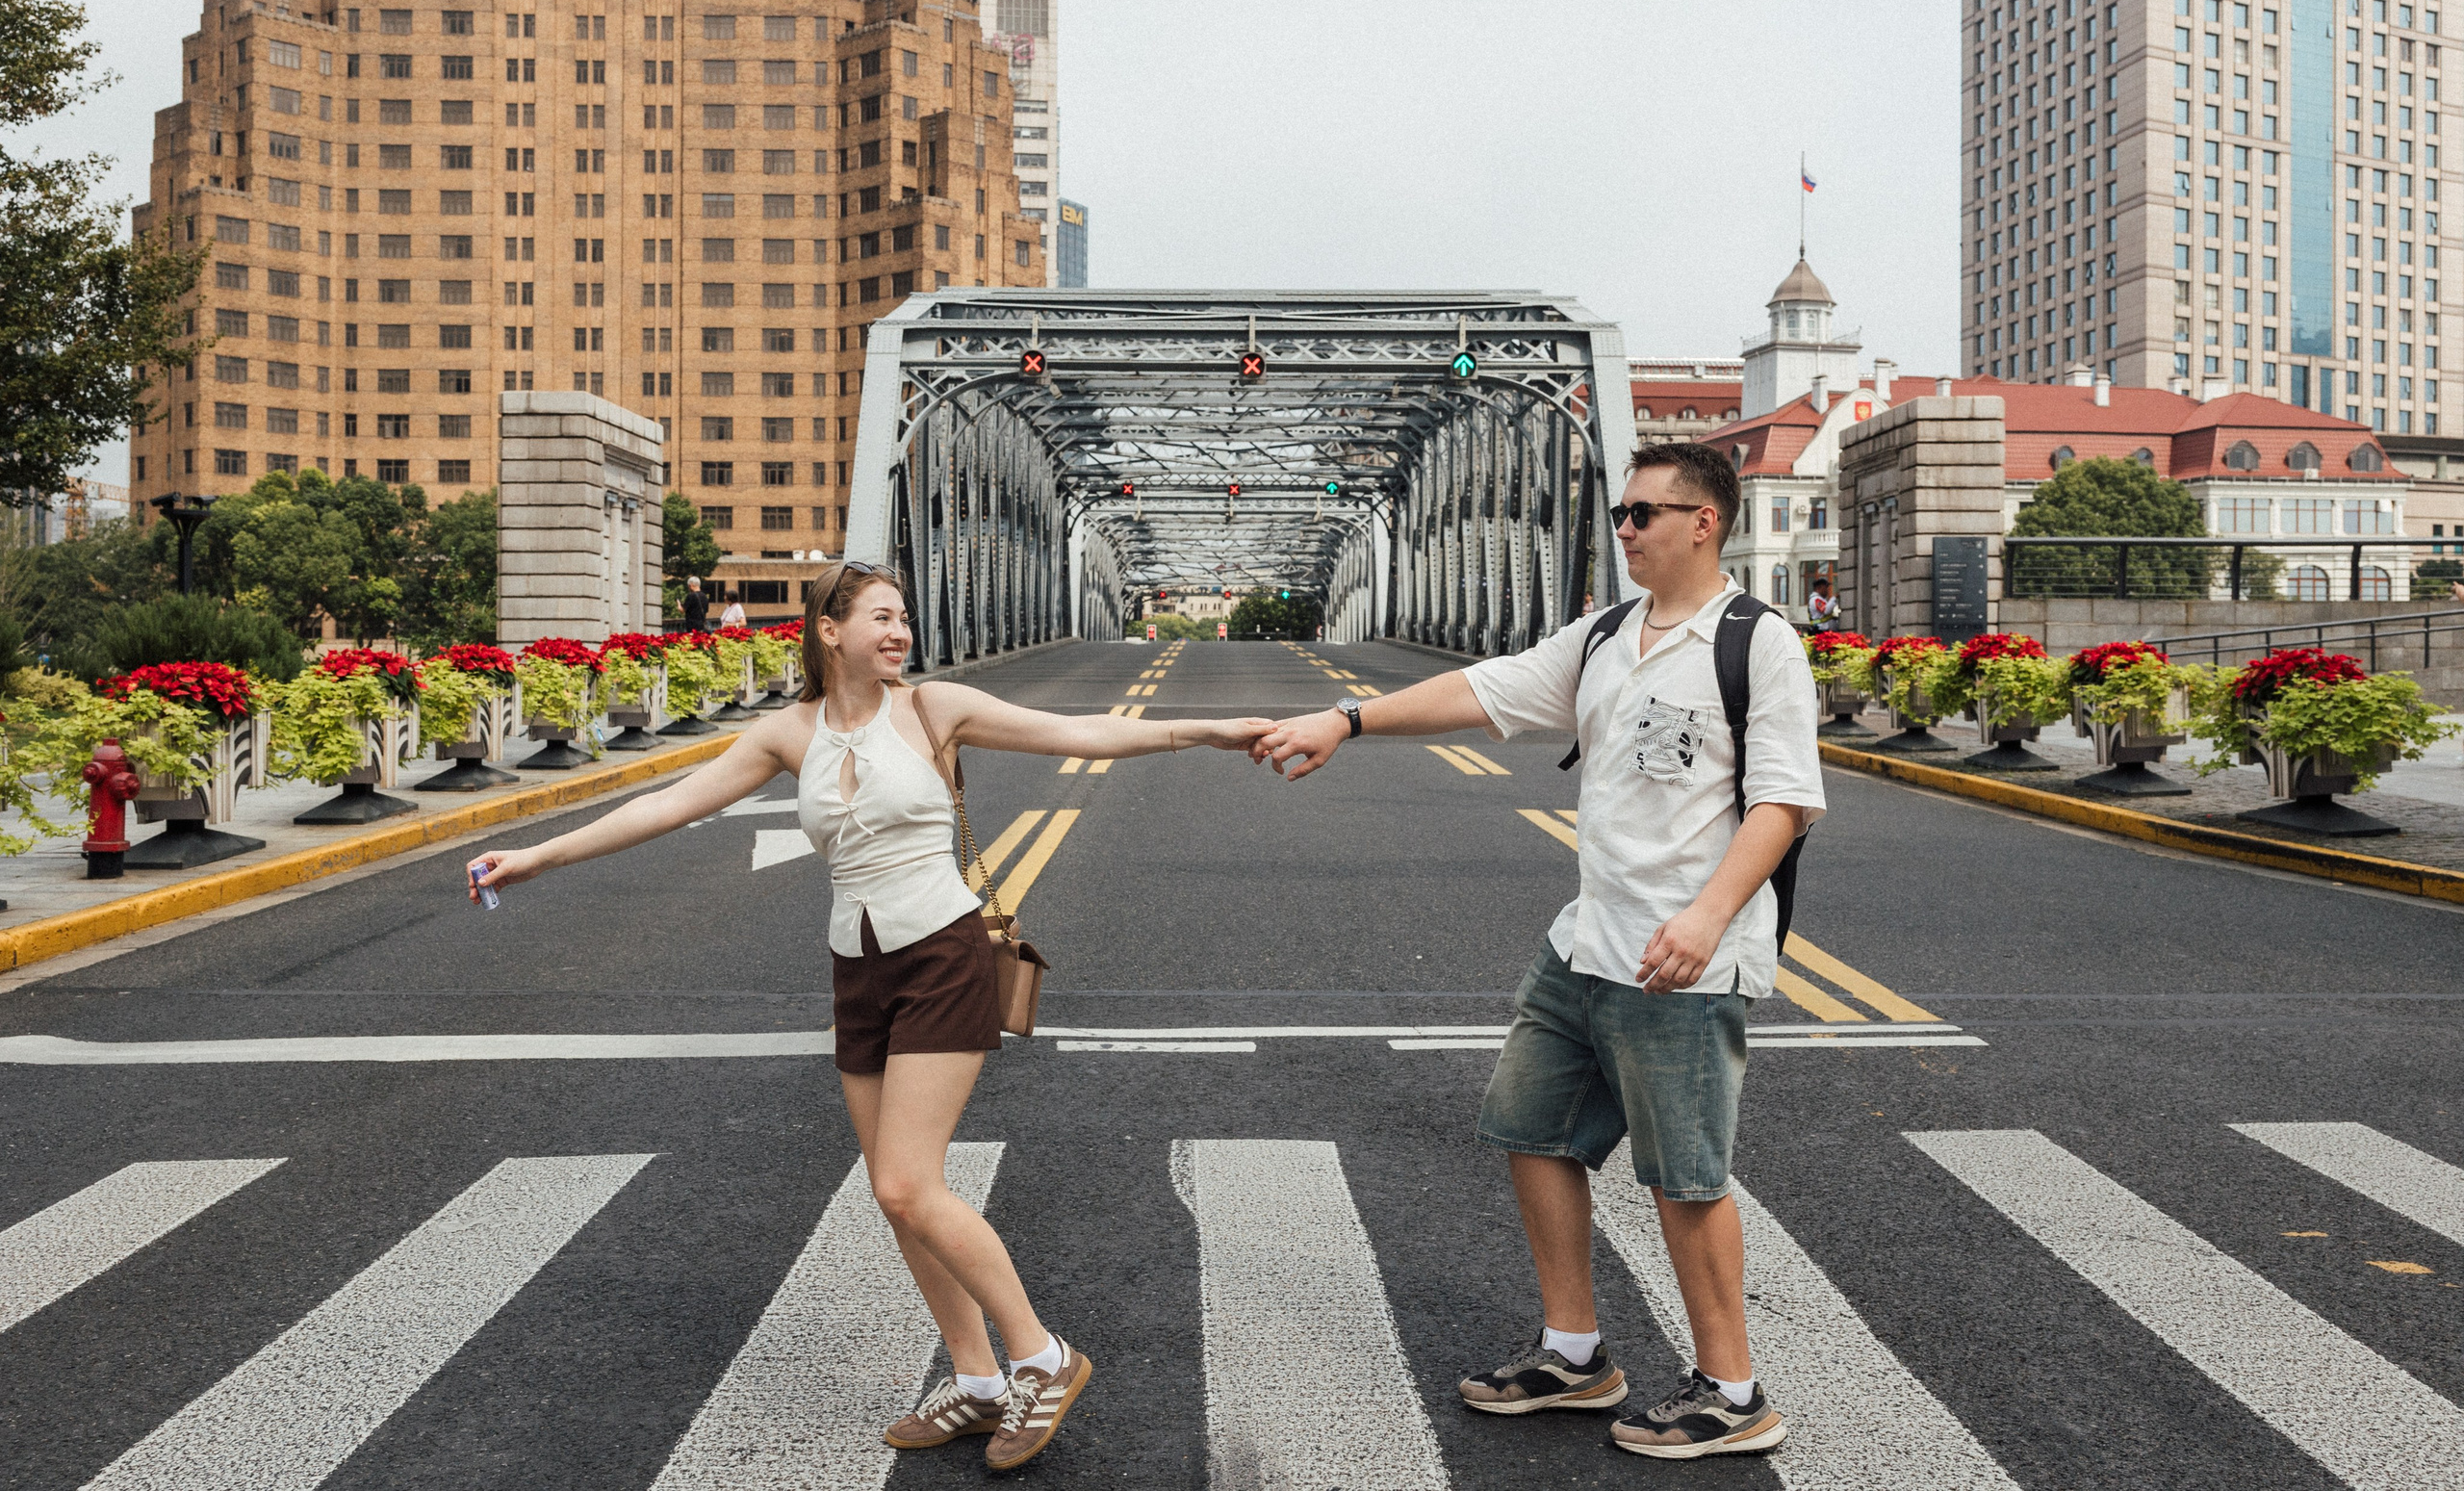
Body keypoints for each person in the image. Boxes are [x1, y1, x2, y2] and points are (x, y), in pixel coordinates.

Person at [470, 559, 1271, 1472]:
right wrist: (540, 855)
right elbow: (667, 803)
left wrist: (1207, 729)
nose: (900, 632)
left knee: (905, 1183)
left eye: (905, 618)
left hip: (941, 953)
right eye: (882, 618)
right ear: (830, 629)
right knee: (898, 1201)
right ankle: (975, 1380)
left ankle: (1043, 1357)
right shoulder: (788, 732)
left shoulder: (934, 710)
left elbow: (1078, 729)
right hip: (857, 968)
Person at [1254, 441, 1824, 1462]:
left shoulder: (1757, 642)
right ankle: (1574, 1353)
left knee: (1684, 1179)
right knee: (1531, 1131)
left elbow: (1782, 802)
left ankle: (1734, 1391)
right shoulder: (1607, 632)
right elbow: (1483, 690)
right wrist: (1346, 717)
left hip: (1678, 958)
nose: (1626, 528)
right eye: (1621, 512)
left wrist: (1705, 918)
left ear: (1704, 522)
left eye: (1646, 513)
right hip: (1585, 944)